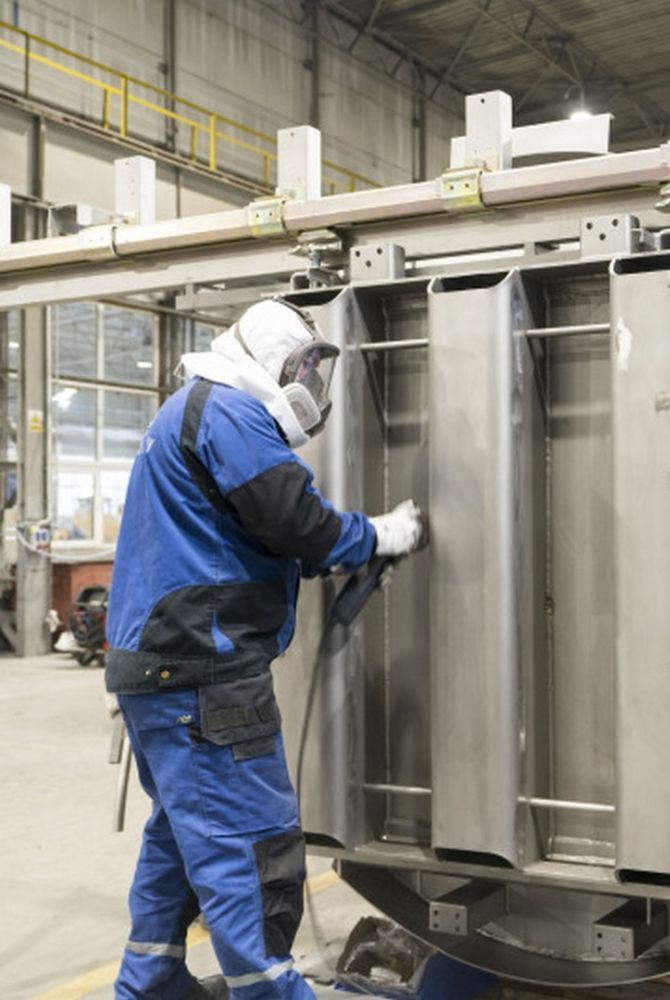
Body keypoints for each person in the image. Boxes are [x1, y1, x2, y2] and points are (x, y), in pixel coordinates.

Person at [105, 300, 427, 998]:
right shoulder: (230, 409)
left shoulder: (190, 410)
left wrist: (332, 548)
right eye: (301, 369)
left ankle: (151, 983)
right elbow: (294, 520)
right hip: (203, 673)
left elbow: (252, 535)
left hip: (160, 671)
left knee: (182, 836)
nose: (309, 384)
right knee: (249, 843)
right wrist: (375, 535)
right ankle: (269, 990)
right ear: (265, 361)